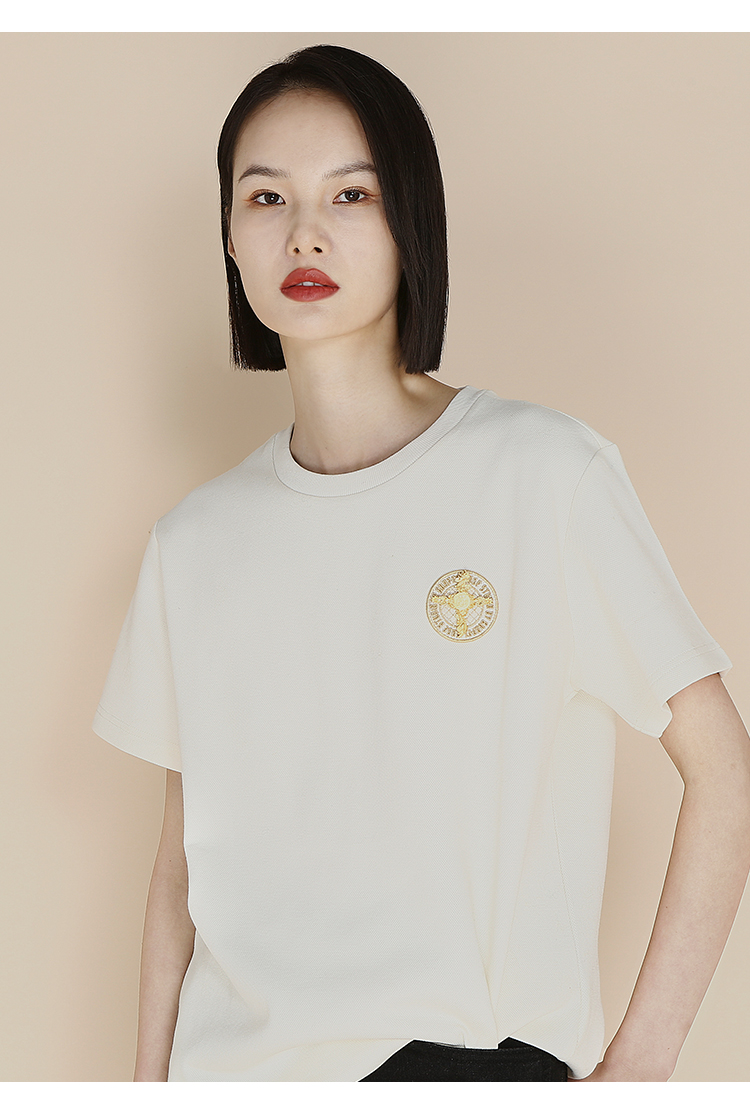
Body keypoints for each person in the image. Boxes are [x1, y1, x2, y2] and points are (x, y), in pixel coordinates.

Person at [92, 44, 750, 1083]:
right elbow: (181, 870)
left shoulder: (543, 473)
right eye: (266, 196)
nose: (304, 231)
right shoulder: (194, 543)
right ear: (229, 235)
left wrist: (637, 1069)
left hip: (459, 1063)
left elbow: (723, 768)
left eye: (350, 194)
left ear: (410, 218)